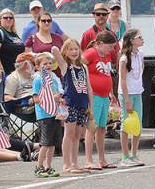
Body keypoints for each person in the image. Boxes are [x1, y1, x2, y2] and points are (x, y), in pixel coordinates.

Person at [82, 30, 118, 169]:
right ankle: (88, 159)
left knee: (102, 128)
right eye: (110, 46)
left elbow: (107, 74)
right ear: (100, 44)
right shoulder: (91, 53)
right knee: (92, 127)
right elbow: (81, 65)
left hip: (104, 95)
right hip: (94, 95)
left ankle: (102, 159)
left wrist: (111, 92)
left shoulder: (107, 55)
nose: (112, 49)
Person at [54, 39, 89, 174]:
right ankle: (66, 164)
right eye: (71, 49)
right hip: (70, 104)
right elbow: (54, 51)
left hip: (82, 103)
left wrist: (89, 105)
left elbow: (88, 88)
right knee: (69, 133)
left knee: (77, 135)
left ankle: (75, 163)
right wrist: (63, 49)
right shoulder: (65, 67)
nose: (74, 52)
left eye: (76, 49)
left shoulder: (83, 67)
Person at [31, 52, 63, 178]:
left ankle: (48, 166)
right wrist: (50, 98)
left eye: (50, 63)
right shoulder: (38, 79)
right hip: (44, 114)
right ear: (38, 66)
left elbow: (57, 94)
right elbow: (36, 98)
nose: (48, 65)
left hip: (54, 114)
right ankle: (39, 166)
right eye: (45, 64)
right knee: (45, 142)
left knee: (53, 143)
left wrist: (59, 99)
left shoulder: (53, 79)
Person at [118, 29, 146, 167]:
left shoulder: (140, 54)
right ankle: (125, 156)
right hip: (126, 94)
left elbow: (141, 71)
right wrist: (127, 100)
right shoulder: (124, 58)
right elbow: (122, 80)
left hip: (138, 91)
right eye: (139, 37)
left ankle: (134, 153)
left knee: (138, 124)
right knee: (126, 123)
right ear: (132, 40)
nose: (142, 39)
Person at [0, 8, 26, 78]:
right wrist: (1, 69)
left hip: (17, 73)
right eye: (5, 18)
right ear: (0, 20)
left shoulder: (14, 34)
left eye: (11, 18)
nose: (8, 19)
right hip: (3, 73)